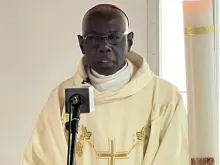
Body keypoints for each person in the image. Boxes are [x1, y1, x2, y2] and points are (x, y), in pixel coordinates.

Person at [22, 3, 190, 165]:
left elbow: (174, 156)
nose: (104, 46)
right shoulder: (62, 99)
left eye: (114, 37)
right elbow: (43, 158)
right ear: (82, 44)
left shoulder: (163, 98)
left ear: (129, 41)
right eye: (94, 38)